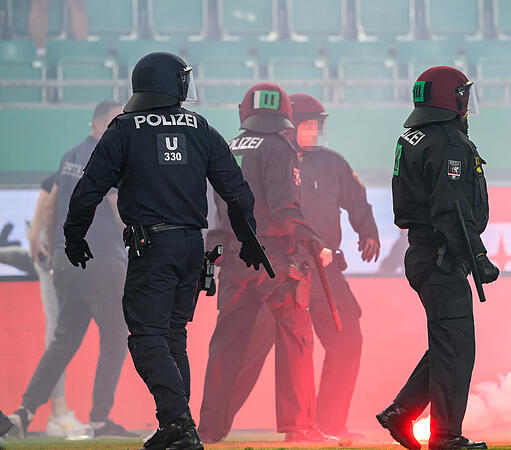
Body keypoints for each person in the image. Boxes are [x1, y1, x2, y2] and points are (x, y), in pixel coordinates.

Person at [55, 52, 261, 450]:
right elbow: (236, 189)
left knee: (146, 337)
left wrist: (74, 234)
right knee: (172, 337)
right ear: (172, 84)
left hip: (153, 247)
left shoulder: (125, 128)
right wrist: (247, 236)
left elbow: (90, 187)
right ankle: (175, 428)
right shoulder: (200, 127)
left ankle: (179, 424)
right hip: (191, 247)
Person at [197, 83, 335, 444]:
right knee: (296, 340)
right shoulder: (279, 147)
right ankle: (299, 427)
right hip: (274, 259)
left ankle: (209, 429)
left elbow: (217, 210)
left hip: (234, 261)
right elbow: (283, 207)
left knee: (225, 346)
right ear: (286, 114)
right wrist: (313, 241)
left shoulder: (228, 147)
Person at [377, 66, 499, 450]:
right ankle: (445, 436)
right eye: (463, 96)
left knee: (449, 342)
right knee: (457, 346)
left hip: (424, 253)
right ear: (452, 99)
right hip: (442, 255)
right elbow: (451, 210)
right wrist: (477, 256)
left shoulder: (414, 137)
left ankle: (402, 412)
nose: (467, 106)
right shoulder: (449, 144)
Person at [7, 101, 137, 441]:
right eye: (116, 122)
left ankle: (24, 411)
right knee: (116, 337)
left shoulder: (69, 156)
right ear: (99, 124)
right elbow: (115, 205)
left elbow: (50, 205)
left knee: (63, 341)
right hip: (101, 262)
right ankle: (99, 419)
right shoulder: (108, 156)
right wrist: (141, 235)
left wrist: (53, 252)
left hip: (67, 261)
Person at [286, 93, 380, 438]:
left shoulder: (333, 163)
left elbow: (357, 202)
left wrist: (368, 233)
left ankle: (330, 423)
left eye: (318, 125)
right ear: (290, 126)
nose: (315, 132)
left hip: (326, 270)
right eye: (309, 125)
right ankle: (295, 425)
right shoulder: (271, 161)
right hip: (283, 271)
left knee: (347, 337)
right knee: (271, 346)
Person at [29, 172, 95, 438]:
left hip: (59, 255)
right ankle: (57, 413)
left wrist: (36, 236)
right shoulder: (72, 176)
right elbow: (46, 207)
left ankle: (56, 412)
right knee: (59, 335)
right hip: (58, 257)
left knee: (59, 334)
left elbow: (45, 208)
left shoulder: (63, 176)